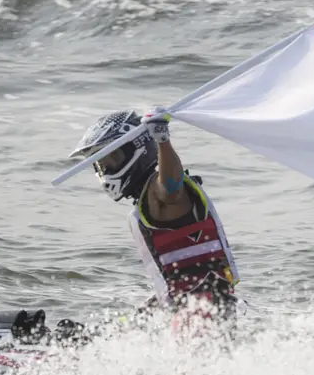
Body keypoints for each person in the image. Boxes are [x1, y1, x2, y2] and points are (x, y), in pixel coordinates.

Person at [67, 109, 241, 336]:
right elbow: (180, 279)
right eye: (100, 165)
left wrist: (162, 140)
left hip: (202, 311)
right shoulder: (146, 203)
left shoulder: (158, 195)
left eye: (111, 159)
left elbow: (172, 187)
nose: (105, 170)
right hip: (202, 308)